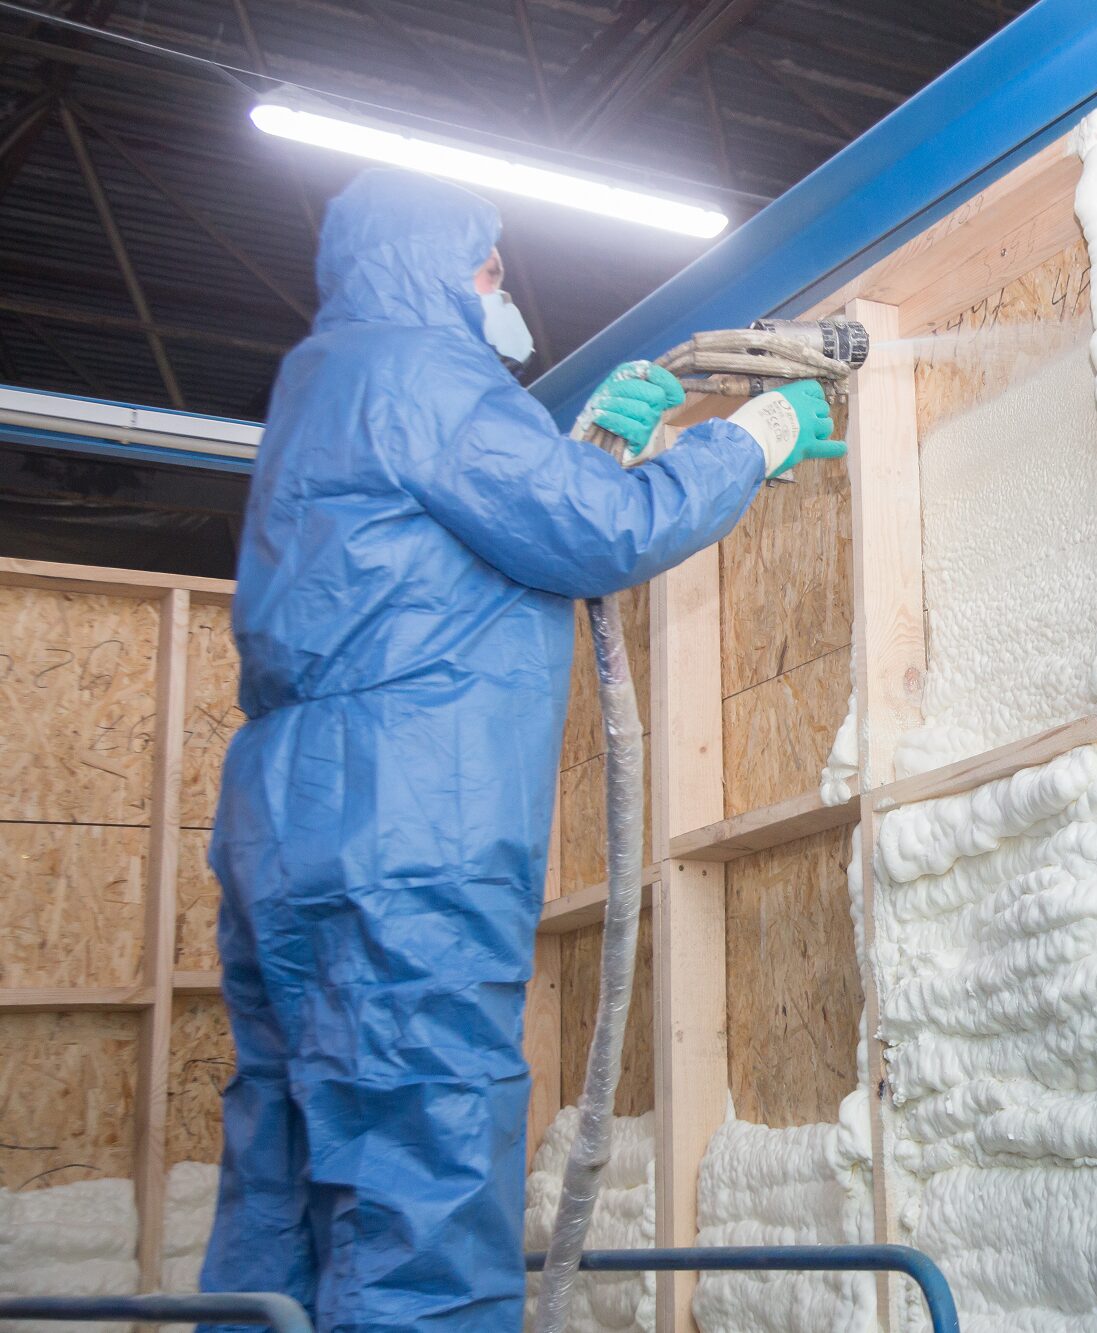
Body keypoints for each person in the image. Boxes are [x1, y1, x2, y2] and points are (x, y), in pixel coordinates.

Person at [198, 168, 843, 1331]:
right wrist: (753, 437)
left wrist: (580, 440)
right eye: (490, 266)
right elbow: (597, 534)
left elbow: (456, 546)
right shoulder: (425, 370)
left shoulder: (325, 379)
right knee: (422, 1159)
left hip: (285, 821)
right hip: (405, 825)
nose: (500, 287)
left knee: (286, 1163)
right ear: (441, 265)